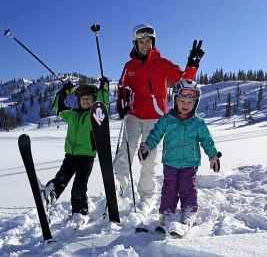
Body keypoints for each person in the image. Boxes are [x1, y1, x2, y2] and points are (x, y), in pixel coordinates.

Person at [114, 23, 204, 206]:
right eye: (142, 42)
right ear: (135, 44)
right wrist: (122, 104)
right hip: (133, 115)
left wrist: (192, 64)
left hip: (155, 118)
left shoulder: (163, 63)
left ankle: (146, 195)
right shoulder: (129, 65)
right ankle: (117, 187)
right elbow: (123, 87)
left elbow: (183, 81)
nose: (146, 45)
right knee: (126, 149)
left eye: (149, 41)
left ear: (153, 43)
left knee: (148, 157)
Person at [138, 79, 220, 227]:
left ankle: (189, 211)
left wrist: (213, 155)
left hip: (190, 162)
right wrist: (147, 146)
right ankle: (167, 212)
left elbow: (207, 140)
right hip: (170, 161)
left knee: (187, 187)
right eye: (182, 101)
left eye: (190, 102)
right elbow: (155, 134)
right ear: (176, 100)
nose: (185, 105)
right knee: (169, 188)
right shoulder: (167, 120)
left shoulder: (198, 123)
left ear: (195, 103)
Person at [42, 77, 109, 223]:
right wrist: (64, 92)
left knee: (78, 188)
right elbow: (57, 107)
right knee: (61, 178)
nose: (85, 101)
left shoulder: (95, 116)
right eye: (82, 99)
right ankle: (50, 195)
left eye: (88, 99)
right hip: (70, 156)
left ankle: (80, 213)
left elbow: (103, 105)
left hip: (87, 157)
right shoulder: (72, 114)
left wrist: (103, 89)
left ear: (94, 100)